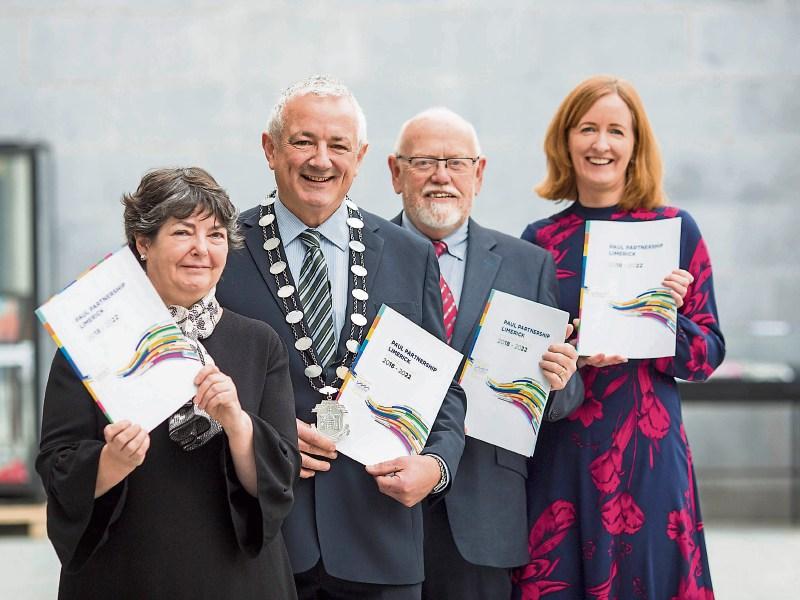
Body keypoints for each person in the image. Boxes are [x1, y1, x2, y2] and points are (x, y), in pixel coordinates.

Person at [216, 77, 466, 599]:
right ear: (270, 148)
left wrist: (436, 466)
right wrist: (267, 434)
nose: (321, 160)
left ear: (362, 156)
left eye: (338, 145)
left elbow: (446, 390)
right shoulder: (222, 255)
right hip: (263, 545)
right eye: (303, 141)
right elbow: (193, 387)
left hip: (382, 541)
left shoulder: (407, 254)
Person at [37, 168, 301, 600]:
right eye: (183, 232)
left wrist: (237, 424)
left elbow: (281, 480)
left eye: (215, 235)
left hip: (237, 578)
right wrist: (112, 461)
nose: (202, 250)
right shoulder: (92, 338)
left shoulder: (259, 343)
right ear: (143, 243)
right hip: (126, 574)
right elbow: (57, 467)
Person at [513, 76, 725, 599]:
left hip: (648, 461)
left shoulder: (676, 229)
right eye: (587, 128)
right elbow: (518, 361)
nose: (600, 144)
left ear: (635, 146)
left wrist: (664, 319)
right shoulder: (539, 241)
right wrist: (568, 355)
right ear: (566, 140)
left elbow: (707, 355)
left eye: (615, 131)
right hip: (565, 455)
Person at [387, 107, 584, 600]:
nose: (441, 176)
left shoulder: (529, 264)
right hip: (378, 504)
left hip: (483, 515)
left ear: (480, 173)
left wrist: (561, 380)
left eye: (456, 162)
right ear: (395, 172)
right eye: (424, 162)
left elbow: (564, 396)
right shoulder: (364, 254)